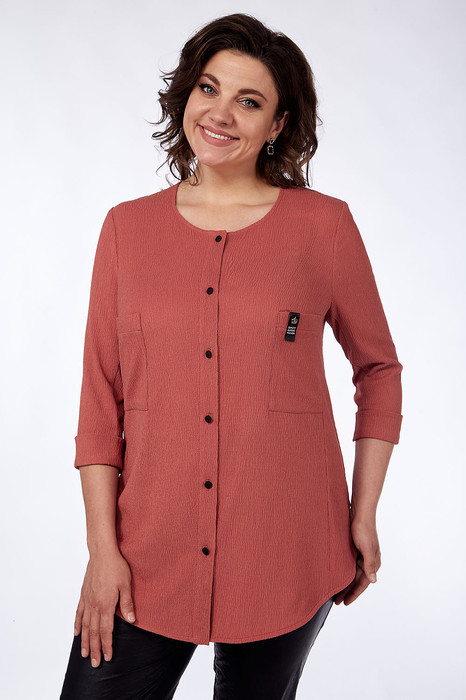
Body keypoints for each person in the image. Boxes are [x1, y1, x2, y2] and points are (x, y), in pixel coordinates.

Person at [60, 12, 403, 700]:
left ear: (277, 125)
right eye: (209, 89)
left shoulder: (323, 226)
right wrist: (102, 552)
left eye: (249, 101)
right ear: (186, 95)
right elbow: (100, 400)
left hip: (288, 550)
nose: (220, 114)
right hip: (147, 553)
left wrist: (362, 513)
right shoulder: (126, 229)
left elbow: (379, 370)